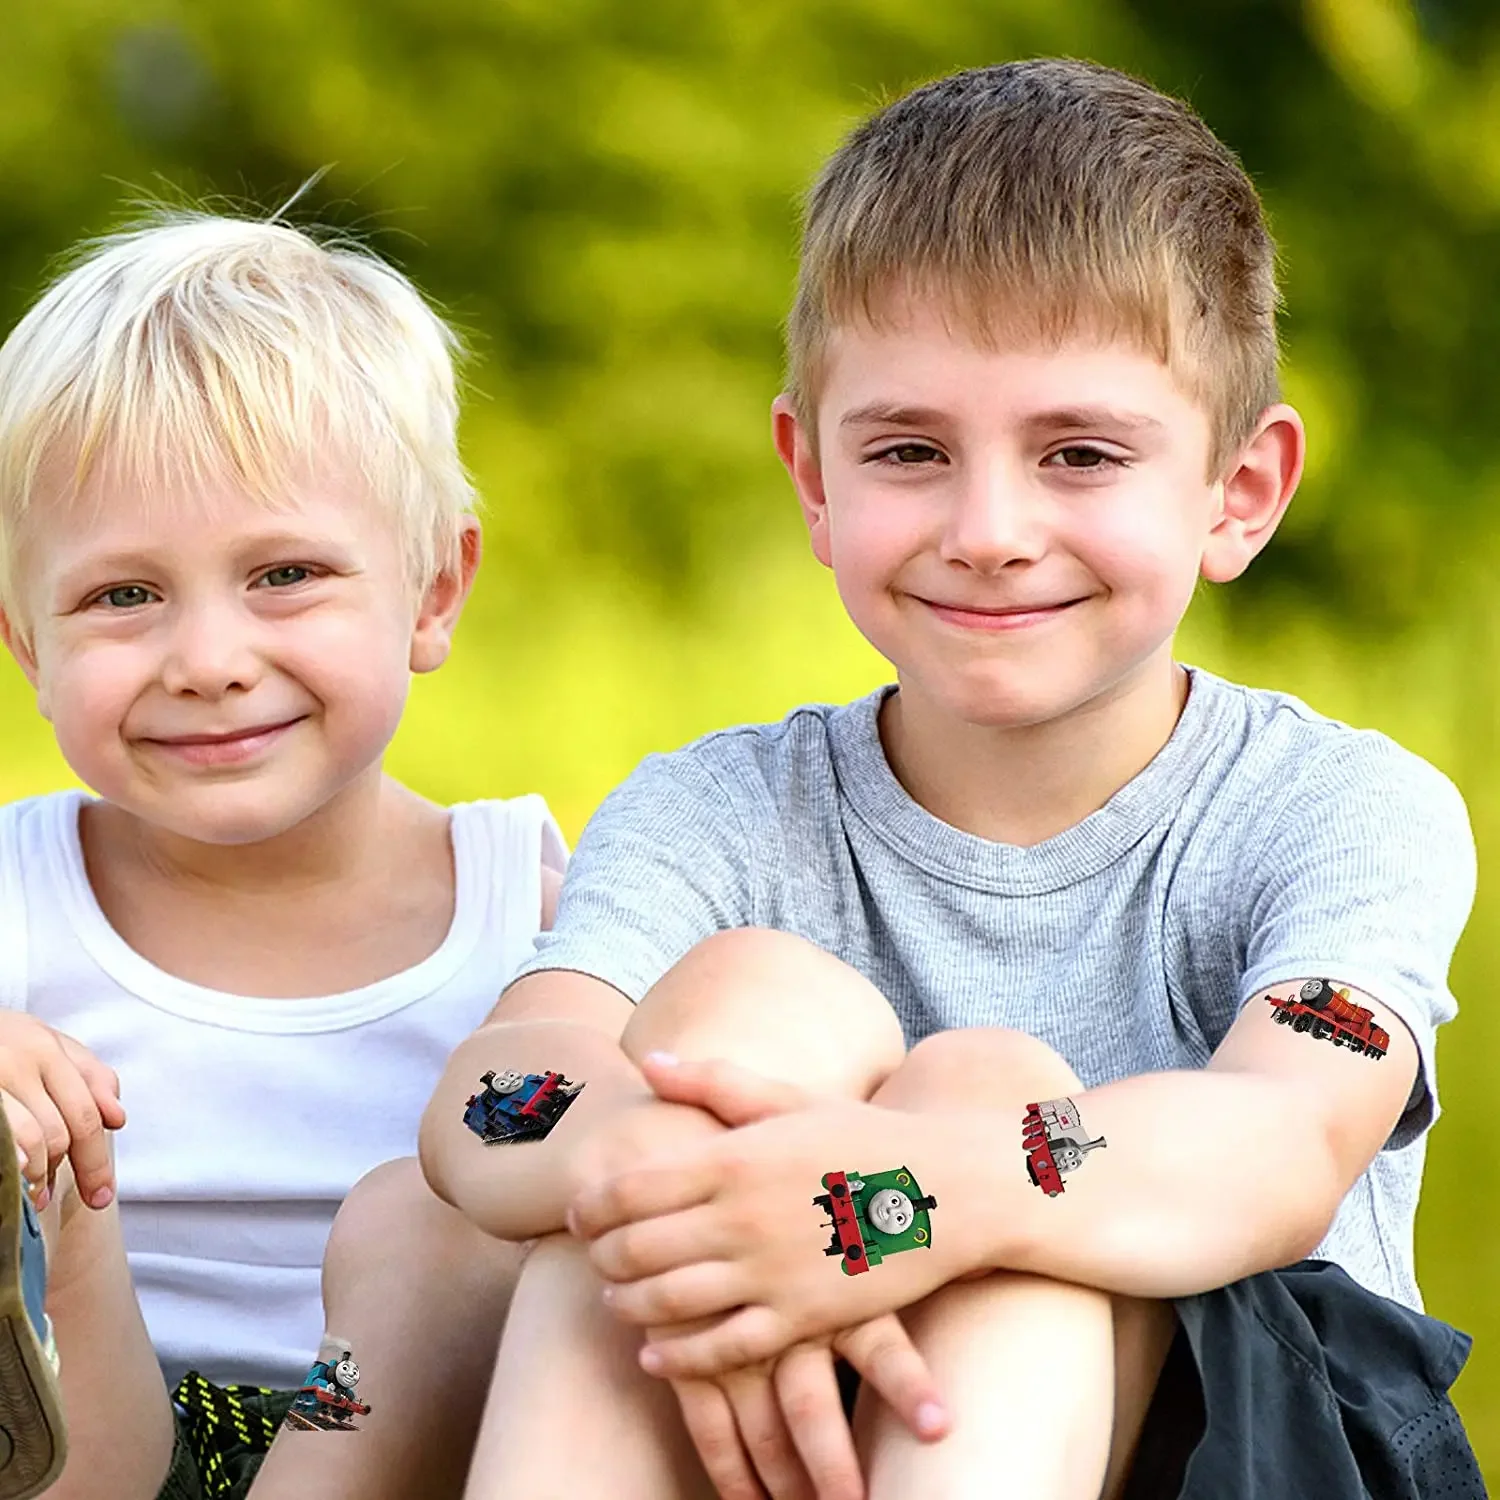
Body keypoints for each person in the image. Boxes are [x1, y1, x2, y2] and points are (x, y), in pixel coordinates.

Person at [419, 58, 1486, 1500]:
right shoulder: (719, 809)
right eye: (911, 450)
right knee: (730, 1025)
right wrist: (699, 1197)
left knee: (986, 1105)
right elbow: (497, 1093)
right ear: (812, 477)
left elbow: (1284, 1139)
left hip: (1254, 1446)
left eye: (1082, 453)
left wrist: (882, 1206)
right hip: (797, 1427)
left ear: (1239, 491)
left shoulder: (1343, 809)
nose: (989, 530)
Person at [0, 211, 559, 1498]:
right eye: (122, 596)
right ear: (29, 643)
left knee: (462, 1249)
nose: (208, 662)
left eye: (285, 574)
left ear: (432, 592)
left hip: (410, 1445)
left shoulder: (531, 926)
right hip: (80, 1451)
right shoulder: (18, 909)